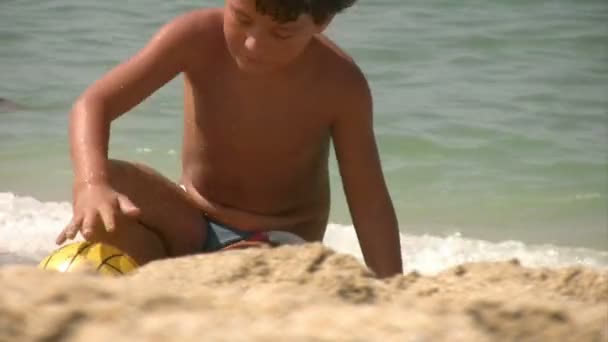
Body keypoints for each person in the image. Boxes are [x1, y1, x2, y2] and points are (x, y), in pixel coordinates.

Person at [55, 0, 403, 278]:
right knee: (110, 182)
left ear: (320, 24)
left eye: (280, 34)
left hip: (275, 240)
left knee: (249, 264)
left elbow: (369, 203)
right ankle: (141, 271)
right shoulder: (195, 37)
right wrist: (92, 183)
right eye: (241, 18)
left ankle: (171, 272)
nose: (253, 43)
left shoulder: (340, 85)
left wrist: (392, 288)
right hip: (189, 220)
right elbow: (94, 103)